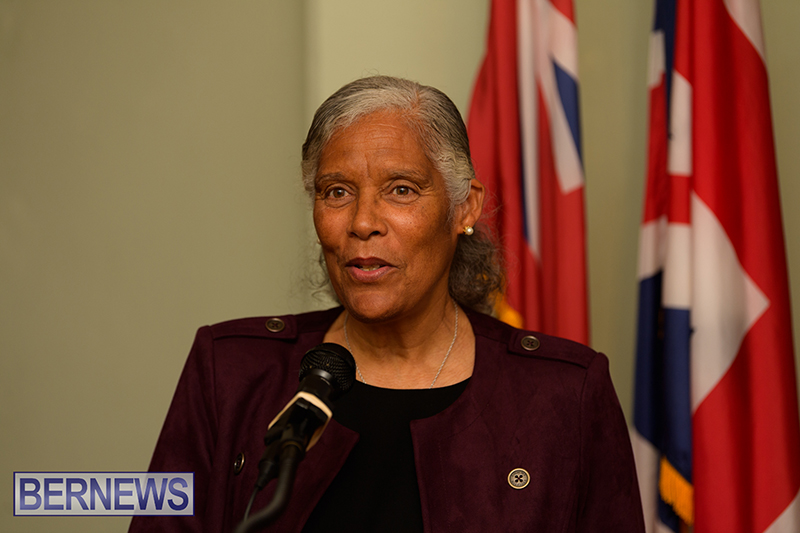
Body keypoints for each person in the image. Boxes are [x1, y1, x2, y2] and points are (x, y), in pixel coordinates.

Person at [129, 76, 644, 532]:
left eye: (401, 190)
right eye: (336, 192)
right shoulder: (229, 369)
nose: (362, 222)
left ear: (465, 207)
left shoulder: (566, 393)